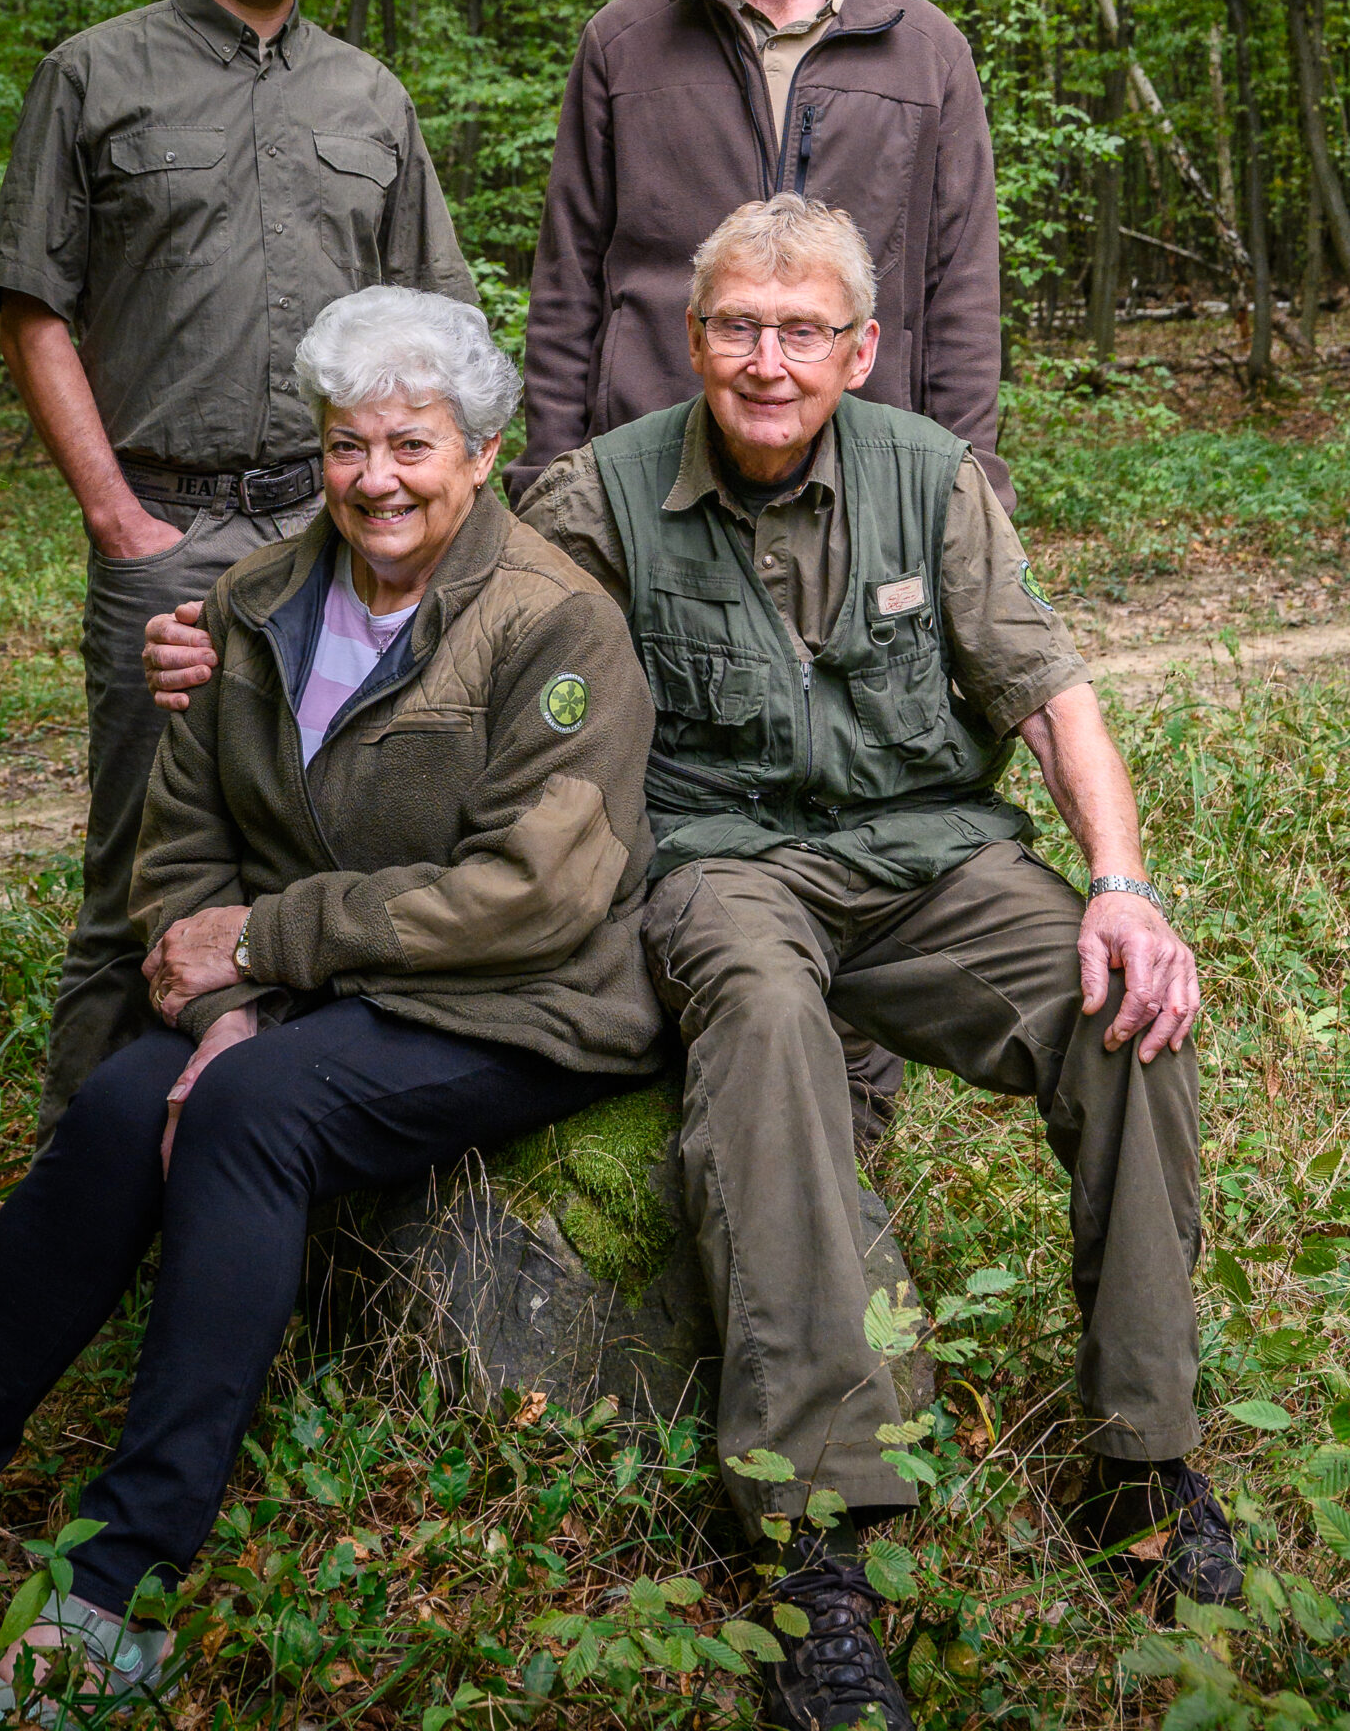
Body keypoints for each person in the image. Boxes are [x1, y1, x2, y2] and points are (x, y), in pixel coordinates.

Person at [0, 289, 661, 1707]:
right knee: (113, 1108)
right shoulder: (259, 599)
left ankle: (114, 1591)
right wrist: (213, 1008)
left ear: (479, 453)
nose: (376, 478)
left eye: (412, 443)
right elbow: (186, 838)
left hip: (519, 1004)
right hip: (308, 991)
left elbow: (536, 895)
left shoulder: (551, 622)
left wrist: (269, 952)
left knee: (248, 1119)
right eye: (347, 444)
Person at [515, 193, 1235, 1731]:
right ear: (691, 337)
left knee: (1122, 1011)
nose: (764, 361)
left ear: (858, 347)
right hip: (723, 869)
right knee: (765, 1022)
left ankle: (1144, 1456)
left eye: (798, 331)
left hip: (926, 862)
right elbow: (461, 633)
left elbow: (1045, 692)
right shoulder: (598, 495)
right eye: (734, 327)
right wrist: (240, 635)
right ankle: (815, 1534)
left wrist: (1116, 885)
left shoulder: (929, 477)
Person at [0, 0, 477, 1143]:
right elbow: (33, 306)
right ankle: (87, 1183)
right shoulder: (96, 74)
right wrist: (120, 523)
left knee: (336, 841)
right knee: (139, 867)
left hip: (342, 536)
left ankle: (278, 1157)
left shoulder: (367, 99)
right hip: (172, 534)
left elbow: (433, 328)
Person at [509, 0, 1012, 510]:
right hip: (648, 478)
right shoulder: (623, 46)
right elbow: (567, 284)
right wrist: (548, 480)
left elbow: (961, 296)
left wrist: (967, 489)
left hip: (869, 484)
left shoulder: (927, 55)